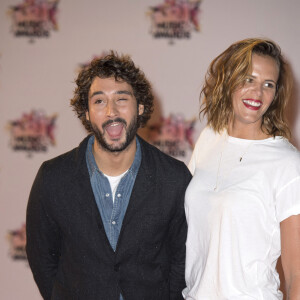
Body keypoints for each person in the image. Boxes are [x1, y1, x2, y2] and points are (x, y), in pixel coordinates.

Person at [26, 51, 191, 300]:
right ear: (87, 113)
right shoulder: (53, 178)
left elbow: (182, 261)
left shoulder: (174, 179)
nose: (111, 111)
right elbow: (41, 257)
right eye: (99, 101)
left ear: (141, 107)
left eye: (122, 99)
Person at [183, 38, 300, 299]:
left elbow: (296, 275)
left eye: (268, 84)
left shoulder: (288, 163)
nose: (257, 93)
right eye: (248, 79)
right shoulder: (209, 139)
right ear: (228, 80)